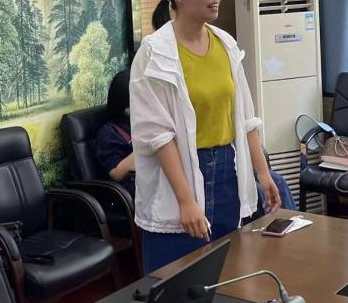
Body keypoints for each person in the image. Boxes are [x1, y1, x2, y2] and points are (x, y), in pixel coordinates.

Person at [131, 0, 282, 274]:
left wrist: (263, 173)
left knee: (230, 273)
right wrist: (186, 200)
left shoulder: (225, 44)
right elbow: (158, 136)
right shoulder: (154, 52)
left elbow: (246, 118)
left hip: (227, 171)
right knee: (177, 278)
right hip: (180, 174)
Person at [97, 68, 294, 210]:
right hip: (159, 182)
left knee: (277, 181)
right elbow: (116, 172)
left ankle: (290, 229)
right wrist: (152, 144)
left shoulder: (160, 116)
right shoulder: (110, 132)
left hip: (199, 166)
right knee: (255, 192)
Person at [96, 69, 136, 196]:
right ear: (127, 108)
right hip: (131, 192)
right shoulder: (108, 133)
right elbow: (116, 173)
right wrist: (144, 146)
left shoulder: (142, 122)